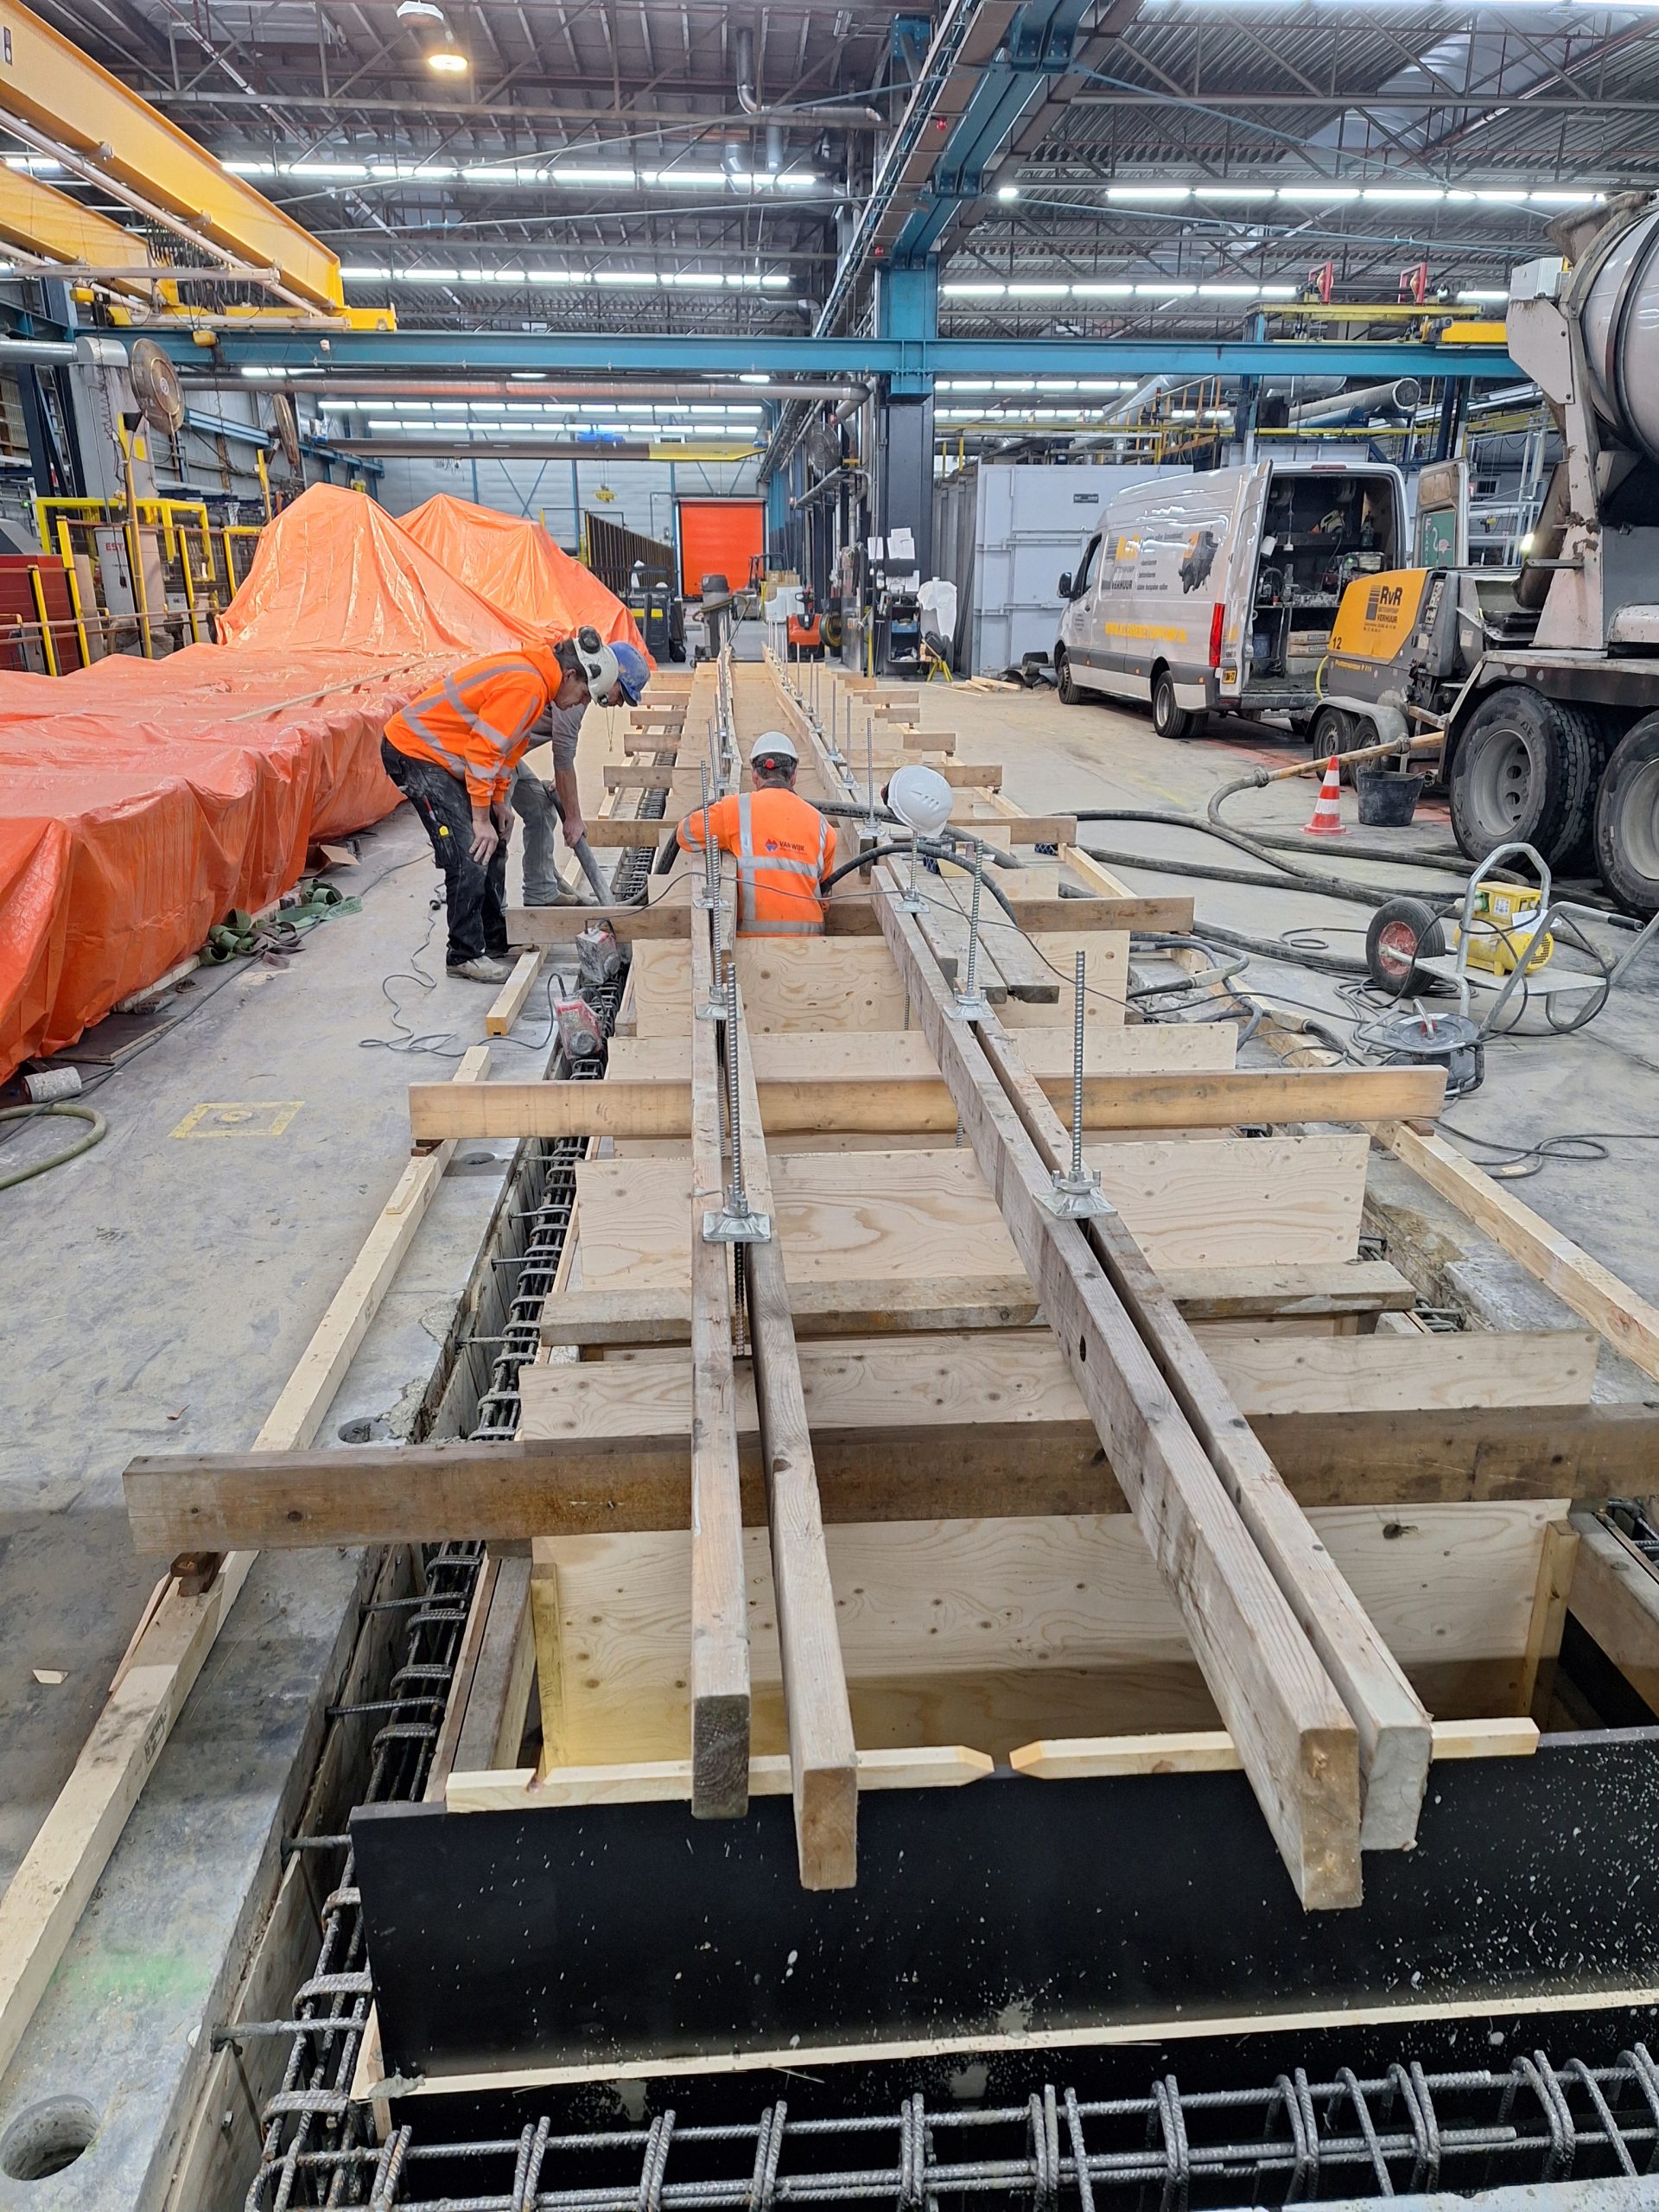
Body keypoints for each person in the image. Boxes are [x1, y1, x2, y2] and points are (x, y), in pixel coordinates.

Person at [382, 630, 649, 981]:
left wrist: (497, 803)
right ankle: (463, 954)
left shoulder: (540, 688)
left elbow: (507, 751)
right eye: (583, 694)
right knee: (471, 848)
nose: (578, 703)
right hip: (415, 751)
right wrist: (480, 819)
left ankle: (494, 938)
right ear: (570, 675)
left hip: (448, 755)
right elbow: (483, 752)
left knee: (495, 837)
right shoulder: (528, 686)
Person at [674, 729, 837, 936]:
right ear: (794, 774)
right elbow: (825, 900)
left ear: (754, 773)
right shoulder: (822, 826)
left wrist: (727, 841)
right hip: (811, 943)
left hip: (753, 943)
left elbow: (684, 835)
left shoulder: (736, 809)